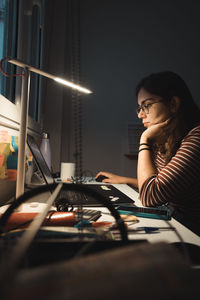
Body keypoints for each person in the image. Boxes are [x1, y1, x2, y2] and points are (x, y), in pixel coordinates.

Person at [96, 71, 200, 235]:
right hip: (179, 220)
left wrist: (144, 140)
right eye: (139, 107)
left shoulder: (196, 138)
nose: (140, 114)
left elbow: (150, 196)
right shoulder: (167, 138)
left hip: (192, 229)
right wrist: (125, 180)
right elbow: (163, 184)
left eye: (147, 105)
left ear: (173, 103)